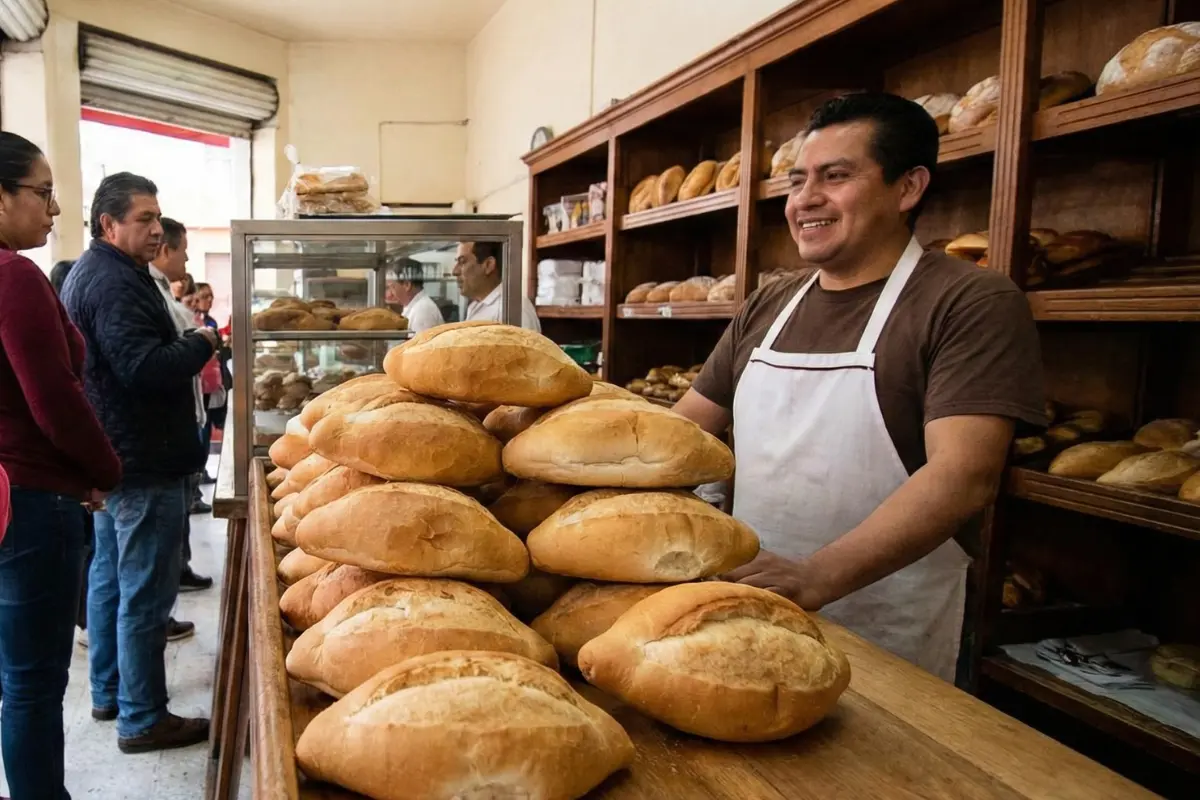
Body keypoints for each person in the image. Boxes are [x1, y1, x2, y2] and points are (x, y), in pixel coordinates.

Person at [673, 93, 1046, 684]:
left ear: (908, 188)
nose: (805, 199)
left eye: (836, 176)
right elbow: (684, 432)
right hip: (750, 605)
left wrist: (817, 576)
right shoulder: (770, 303)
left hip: (890, 628)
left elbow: (963, 476)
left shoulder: (969, 301)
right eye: (797, 181)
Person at [62, 171, 216, 753]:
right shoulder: (113, 283)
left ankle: (110, 693)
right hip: (142, 459)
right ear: (109, 224)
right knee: (144, 594)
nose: (156, 230)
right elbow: (143, 369)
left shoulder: (105, 272)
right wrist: (201, 343)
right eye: (144, 219)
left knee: (110, 579)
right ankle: (143, 716)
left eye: (157, 218)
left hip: (117, 455)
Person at [0, 131, 122, 798]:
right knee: (31, 685)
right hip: (29, 500)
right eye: (42, 193)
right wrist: (102, 471)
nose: (53, 209)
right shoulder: (14, 276)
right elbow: (54, 399)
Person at [149, 218, 213, 591]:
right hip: (155, 452)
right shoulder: (142, 290)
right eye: (184, 251)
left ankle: (178, 572)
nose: (187, 259)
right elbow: (158, 364)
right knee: (145, 570)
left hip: (172, 439)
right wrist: (201, 341)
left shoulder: (155, 290)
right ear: (165, 249)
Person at [454, 241, 541, 331]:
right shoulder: (475, 306)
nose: (454, 271)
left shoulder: (514, 309)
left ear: (488, 265)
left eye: (462, 262)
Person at [385, 258, 445, 332]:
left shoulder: (423, 311)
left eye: (392, 287)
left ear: (407, 285)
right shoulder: (415, 306)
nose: (389, 294)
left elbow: (420, 339)